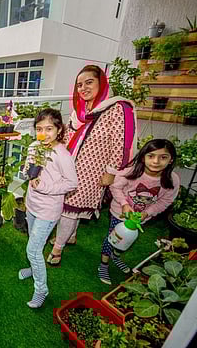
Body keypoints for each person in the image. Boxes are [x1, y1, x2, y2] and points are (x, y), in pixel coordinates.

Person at [47, 65, 137, 265]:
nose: (83, 88)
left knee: (69, 208)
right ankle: (70, 236)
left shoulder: (117, 108)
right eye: (79, 85)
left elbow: (121, 143)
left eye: (89, 82)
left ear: (102, 83)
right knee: (72, 207)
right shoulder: (80, 110)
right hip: (71, 166)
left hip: (93, 172)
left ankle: (57, 249)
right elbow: (68, 136)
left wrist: (111, 172)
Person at [18, 109, 78, 308]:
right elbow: (28, 168)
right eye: (39, 129)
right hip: (32, 204)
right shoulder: (35, 146)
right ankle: (34, 269)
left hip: (49, 210)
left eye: (49, 129)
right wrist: (28, 172)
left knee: (33, 250)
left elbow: (71, 184)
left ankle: (41, 289)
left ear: (59, 129)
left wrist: (46, 187)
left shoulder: (62, 154)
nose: (43, 133)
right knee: (34, 243)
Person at [98, 139, 179, 285]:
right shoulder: (132, 171)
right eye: (151, 156)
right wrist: (124, 204)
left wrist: (148, 213)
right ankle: (103, 264)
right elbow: (115, 187)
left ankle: (116, 257)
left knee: (126, 240)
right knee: (114, 238)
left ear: (171, 159)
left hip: (141, 219)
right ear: (143, 157)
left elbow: (165, 201)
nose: (156, 161)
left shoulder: (172, 180)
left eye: (163, 157)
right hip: (119, 214)